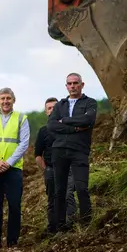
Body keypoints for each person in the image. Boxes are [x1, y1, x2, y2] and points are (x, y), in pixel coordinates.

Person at [0, 87, 30, 248]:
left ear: (13, 100)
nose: (5, 101)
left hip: (13, 168)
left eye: (8, 98)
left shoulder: (21, 118)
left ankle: (12, 240)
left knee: (14, 204)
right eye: (2, 98)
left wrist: (8, 162)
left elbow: (24, 143)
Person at [48, 72, 97, 231]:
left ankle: (87, 224)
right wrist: (75, 128)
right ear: (66, 86)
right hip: (59, 151)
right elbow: (51, 125)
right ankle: (61, 226)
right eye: (69, 84)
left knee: (82, 188)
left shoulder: (90, 103)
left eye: (75, 83)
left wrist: (65, 120)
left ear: (82, 85)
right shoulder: (59, 105)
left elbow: (88, 120)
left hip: (79, 150)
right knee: (60, 190)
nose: (72, 86)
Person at [35, 97, 77, 235]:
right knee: (52, 199)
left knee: (68, 195)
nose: (52, 110)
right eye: (49, 108)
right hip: (51, 169)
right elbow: (38, 155)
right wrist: (46, 169)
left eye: (55, 107)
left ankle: (71, 227)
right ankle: (53, 229)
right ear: (46, 112)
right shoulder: (43, 131)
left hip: (67, 169)